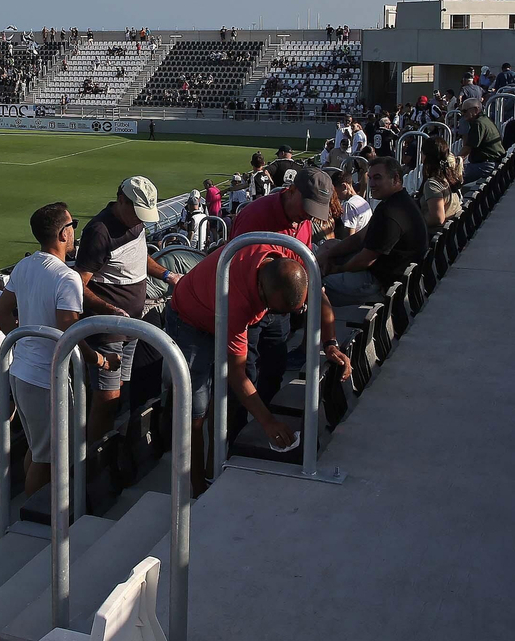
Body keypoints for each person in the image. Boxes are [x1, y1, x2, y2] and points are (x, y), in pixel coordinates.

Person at [165, 240, 350, 496]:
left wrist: (330, 343)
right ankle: (196, 489)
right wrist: (268, 422)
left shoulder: (288, 260)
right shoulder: (236, 303)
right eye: (270, 308)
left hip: (219, 307)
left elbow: (321, 298)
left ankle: (213, 469)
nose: (267, 314)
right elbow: (237, 375)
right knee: (195, 411)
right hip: (190, 321)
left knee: (226, 402)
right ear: (262, 289)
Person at [0, 202, 108, 497]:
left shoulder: (25, 265)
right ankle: (37, 518)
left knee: (39, 451)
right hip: (45, 379)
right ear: (62, 234)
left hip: (23, 372)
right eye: (73, 226)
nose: (74, 232)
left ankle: (34, 513)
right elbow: (70, 330)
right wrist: (98, 359)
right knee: (48, 459)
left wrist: (22, 341)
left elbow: (2, 312)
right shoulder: (66, 277)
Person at [74, 177, 175, 439]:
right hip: (108, 330)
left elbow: (138, 257)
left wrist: (167, 275)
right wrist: (108, 309)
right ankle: (92, 454)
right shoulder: (99, 232)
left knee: (118, 389)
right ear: (121, 200)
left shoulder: (135, 222)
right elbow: (78, 284)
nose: (141, 219)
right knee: (107, 397)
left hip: (131, 324)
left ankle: (106, 446)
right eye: (138, 212)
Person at [227, 167, 333, 405]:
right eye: (307, 207)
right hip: (249, 312)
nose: (308, 216)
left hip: (279, 312)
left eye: (314, 211)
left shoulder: (303, 220)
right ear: (291, 190)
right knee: (244, 375)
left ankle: (264, 417)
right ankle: (240, 425)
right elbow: (237, 268)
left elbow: (304, 263)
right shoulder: (255, 216)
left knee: (275, 369)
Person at [318, 158, 429, 307]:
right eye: (370, 178)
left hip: (382, 283)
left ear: (396, 179)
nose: (371, 184)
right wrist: (328, 255)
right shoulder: (396, 202)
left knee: (316, 286)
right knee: (329, 246)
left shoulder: (391, 213)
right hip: (383, 271)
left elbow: (365, 260)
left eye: (377, 178)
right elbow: (358, 238)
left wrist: (336, 270)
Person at [457, 99, 505, 186]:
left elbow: (468, 148)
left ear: (475, 110)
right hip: (491, 163)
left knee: (453, 177)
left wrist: (455, 162)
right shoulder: (485, 120)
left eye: (465, 111)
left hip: (486, 165)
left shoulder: (478, 124)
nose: (463, 114)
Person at [417, 137, 463, 229]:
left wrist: (413, 222)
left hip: (435, 233)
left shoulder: (432, 184)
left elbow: (437, 218)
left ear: (425, 156)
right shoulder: (450, 177)